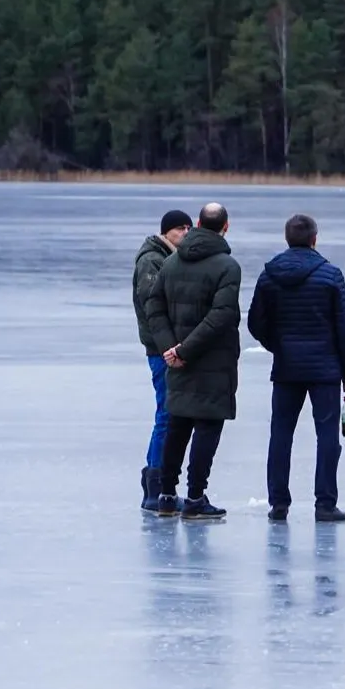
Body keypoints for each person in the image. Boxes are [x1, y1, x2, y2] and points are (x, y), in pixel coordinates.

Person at [248, 213, 345, 523]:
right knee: (327, 435)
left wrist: (278, 345)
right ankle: (325, 504)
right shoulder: (330, 275)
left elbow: (256, 322)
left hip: (286, 368)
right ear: (314, 239)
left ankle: (278, 504)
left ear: (287, 239)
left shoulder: (270, 275)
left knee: (281, 434)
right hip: (325, 369)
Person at [142, 203, 242, 521]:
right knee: (207, 428)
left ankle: (167, 496)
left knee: (178, 425)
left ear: (197, 223)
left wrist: (170, 347)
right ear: (226, 227)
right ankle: (195, 497)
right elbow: (222, 316)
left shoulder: (171, 262)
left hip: (178, 361)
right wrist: (184, 349)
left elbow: (152, 306)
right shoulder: (228, 266)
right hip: (211, 361)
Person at [133, 209, 193, 512]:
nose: (185, 233)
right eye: (179, 229)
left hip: (169, 348)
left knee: (169, 414)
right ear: (166, 231)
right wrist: (171, 347)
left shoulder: (171, 258)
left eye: (188, 228)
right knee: (166, 414)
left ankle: (156, 481)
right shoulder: (152, 261)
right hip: (161, 350)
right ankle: (154, 485)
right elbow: (154, 308)